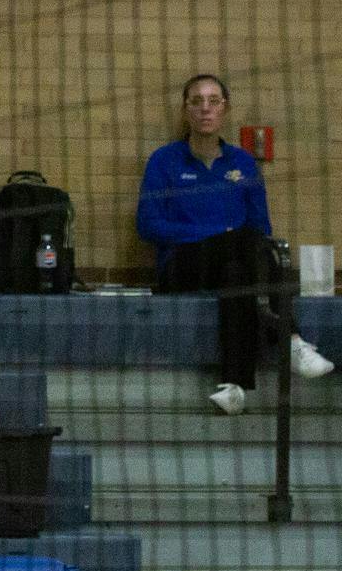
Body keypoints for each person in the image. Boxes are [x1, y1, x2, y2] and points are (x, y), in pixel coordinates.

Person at [137, 73, 333, 415]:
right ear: (186, 111)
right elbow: (148, 225)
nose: (205, 109)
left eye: (214, 101)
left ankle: (234, 387)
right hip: (180, 268)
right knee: (240, 243)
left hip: (234, 261)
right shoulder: (164, 161)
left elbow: (262, 228)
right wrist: (217, 235)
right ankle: (291, 340)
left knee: (237, 273)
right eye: (196, 101)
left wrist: (230, 241)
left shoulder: (243, 163)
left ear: (225, 110)